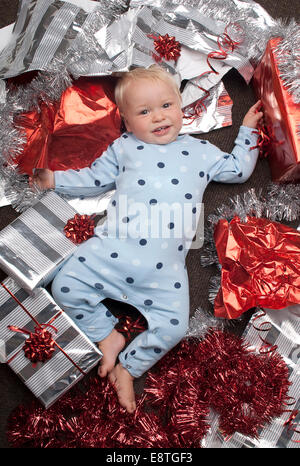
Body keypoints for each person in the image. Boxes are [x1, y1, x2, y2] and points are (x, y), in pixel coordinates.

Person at [31, 65, 263, 414]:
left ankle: (129, 367)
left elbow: (238, 169)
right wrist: (55, 180)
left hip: (164, 271)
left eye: (167, 106)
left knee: (174, 327)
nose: (158, 117)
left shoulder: (201, 151)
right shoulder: (124, 147)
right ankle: (108, 335)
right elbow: (94, 178)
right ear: (126, 121)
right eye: (144, 112)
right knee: (65, 285)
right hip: (110, 250)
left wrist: (247, 131)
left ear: (180, 107)